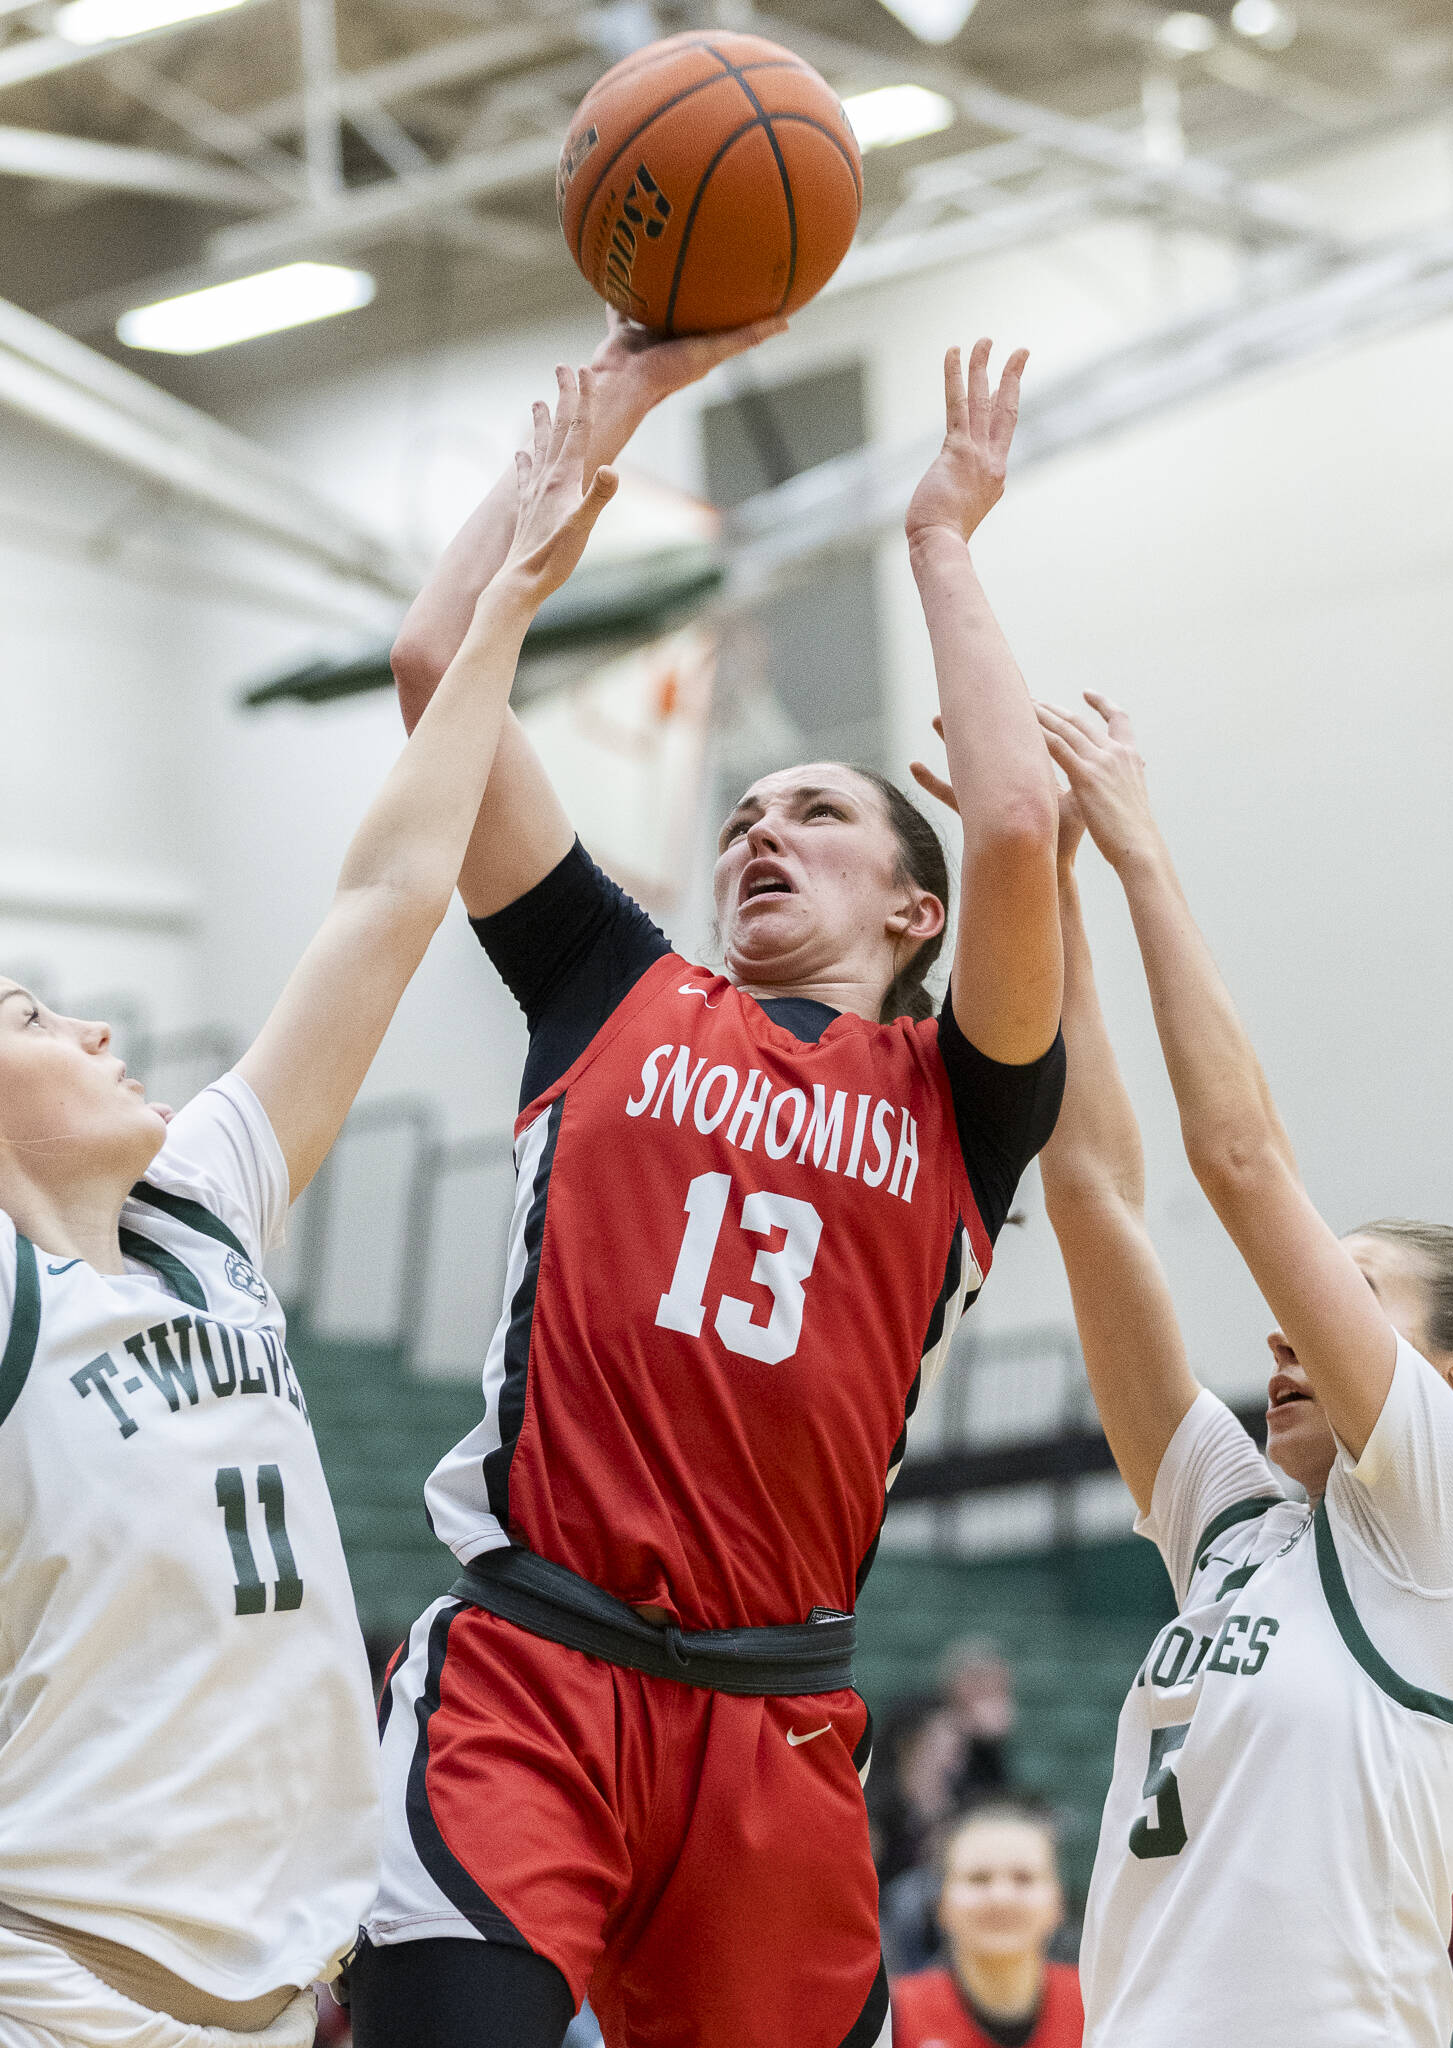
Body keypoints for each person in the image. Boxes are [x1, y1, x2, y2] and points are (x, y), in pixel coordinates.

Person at [347, 332, 1067, 2048]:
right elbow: (439, 659)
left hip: (776, 1720)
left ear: (913, 913)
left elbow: (1021, 826)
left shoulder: (958, 1098)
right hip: (531, 1670)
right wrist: (591, 443)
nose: (758, 831)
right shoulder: (610, 979)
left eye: (814, 812)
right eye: (738, 812)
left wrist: (941, 542)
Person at [0, 377, 619, 2048]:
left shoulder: (200, 1197)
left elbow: (389, 893)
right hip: (68, 1998)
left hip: (284, 2005)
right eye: (37, 1020)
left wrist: (504, 606)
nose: (97, 1028)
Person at [915, 693, 1453, 2046]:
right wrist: (1042, 886)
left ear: (1450, 1383)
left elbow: (1239, 1163)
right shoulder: (1238, 1533)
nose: (1281, 1324)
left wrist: (1141, 849)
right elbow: (1089, 1193)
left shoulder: (1442, 1537)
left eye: (1350, 1290)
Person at [891, 1804, 1083, 2048]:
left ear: (1058, 1903)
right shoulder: (891, 2014)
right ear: (940, 1905)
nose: (1001, 1897)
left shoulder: (1101, 2002)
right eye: (978, 1879)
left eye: (1023, 1878)